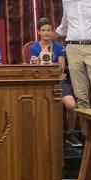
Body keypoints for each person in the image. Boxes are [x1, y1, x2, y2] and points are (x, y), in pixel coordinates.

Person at [30, 17, 82, 147]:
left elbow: (61, 67)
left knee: (71, 105)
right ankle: (40, 133)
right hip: (40, 81)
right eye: (43, 30)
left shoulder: (58, 47)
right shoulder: (34, 47)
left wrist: (50, 65)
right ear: (38, 32)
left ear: (53, 31)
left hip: (58, 80)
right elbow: (33, 69)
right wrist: (37, 61)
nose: (46, 33)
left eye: (49, 30)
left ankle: (70, 133)